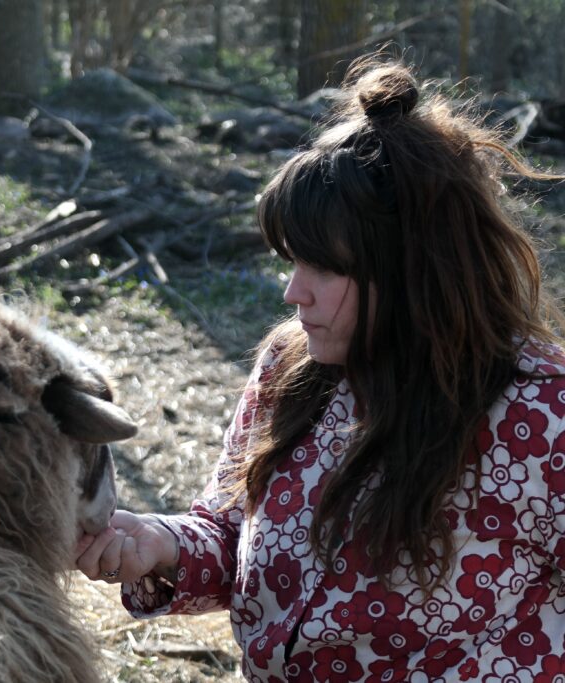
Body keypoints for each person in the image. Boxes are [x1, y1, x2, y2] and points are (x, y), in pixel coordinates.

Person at [75, 57, 565, 682]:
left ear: (416, 267)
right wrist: (162, 546)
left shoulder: (541, 416)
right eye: (291, 261)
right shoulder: (293, 365)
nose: (292, 293)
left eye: (324, 268)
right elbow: (231, 536)